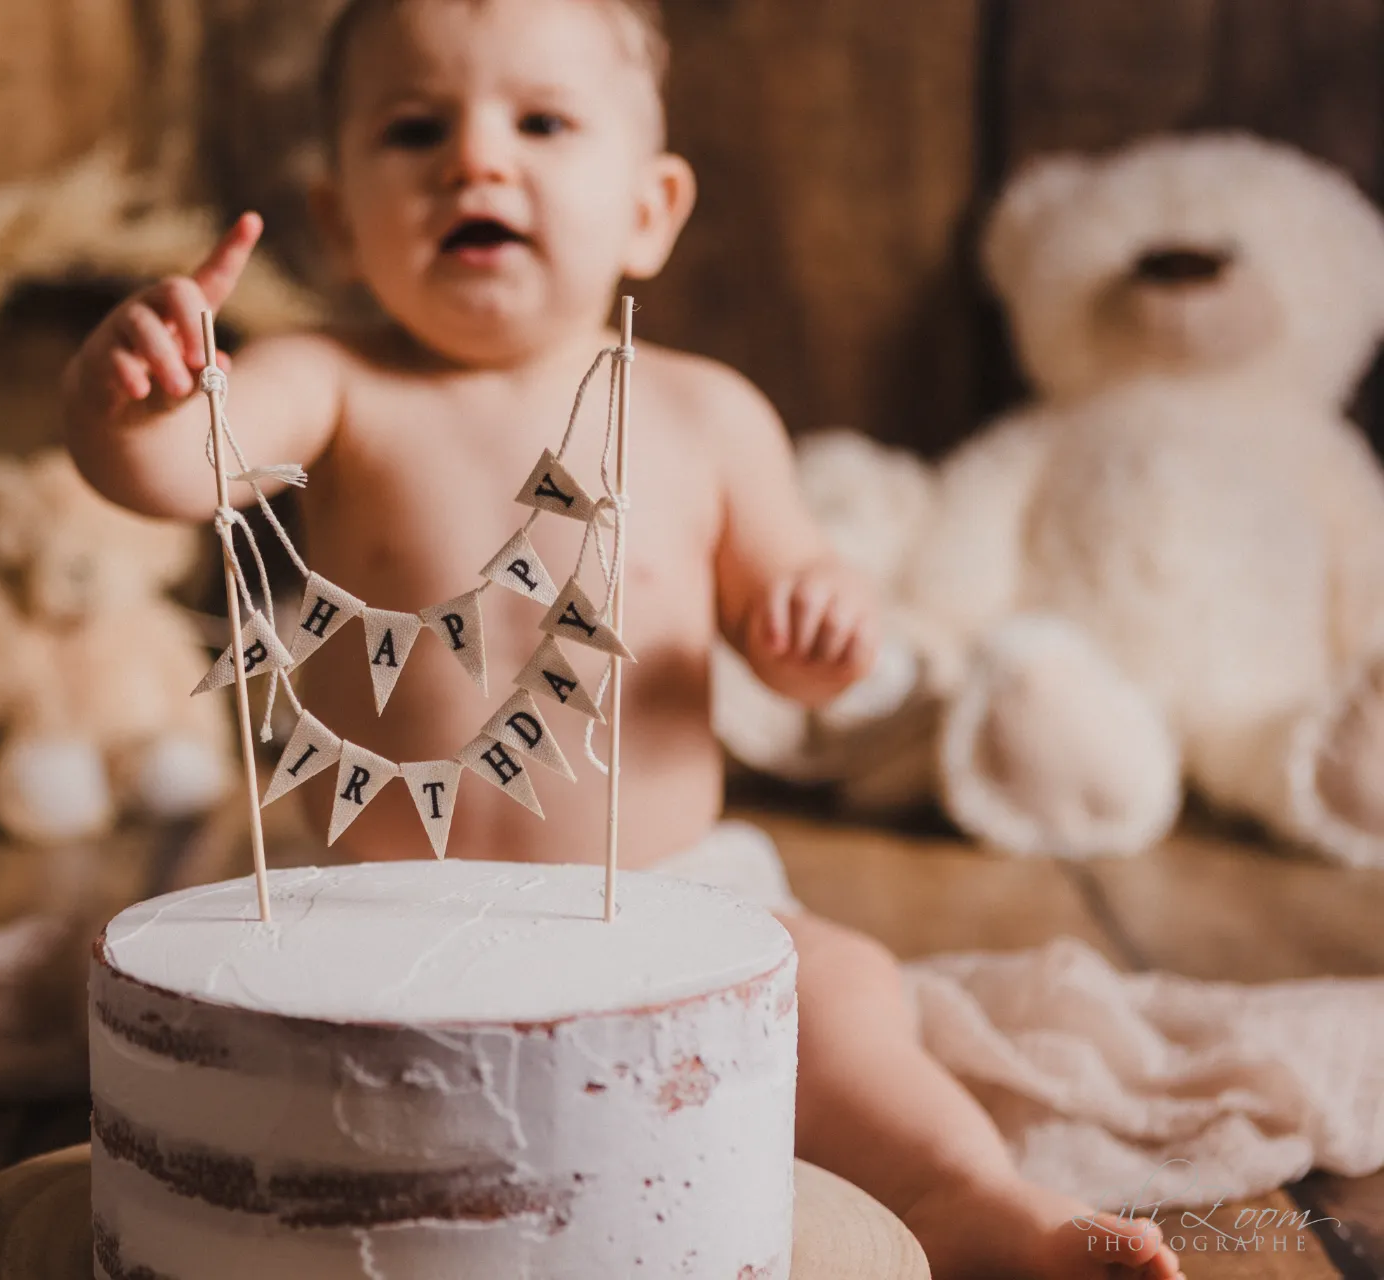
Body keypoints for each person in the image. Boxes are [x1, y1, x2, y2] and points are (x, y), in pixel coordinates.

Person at [63, 0, 1183, 1275]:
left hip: (670, 891)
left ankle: (967, 1192)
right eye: (416, 126)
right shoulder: (333, 382)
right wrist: (131, 393)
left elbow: (795, 606)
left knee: (850, 991)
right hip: (387, 919)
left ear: (648, 210)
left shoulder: (705, 413)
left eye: (541, 122)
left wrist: (816, 626)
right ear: (338, 222)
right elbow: (171, 470)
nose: (476, 160)